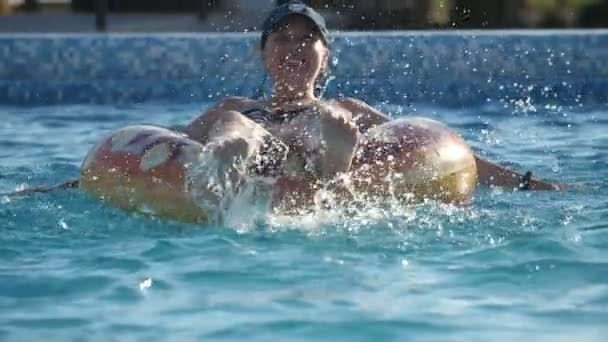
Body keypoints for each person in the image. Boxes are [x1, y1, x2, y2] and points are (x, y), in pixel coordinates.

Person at [74, 1, 559, 223]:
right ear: (263, 54)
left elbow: (428, 150)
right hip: (251, 158)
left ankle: (330, 160)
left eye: (308, 39)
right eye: (282, 39)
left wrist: (519, 179)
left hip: (318, 157)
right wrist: (78, 180)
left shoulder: (344, 109)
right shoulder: (235, 107)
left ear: (326, 55)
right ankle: (235, 149)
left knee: (319, 120)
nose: (294, 48)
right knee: (235, 122)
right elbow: (167, 147)